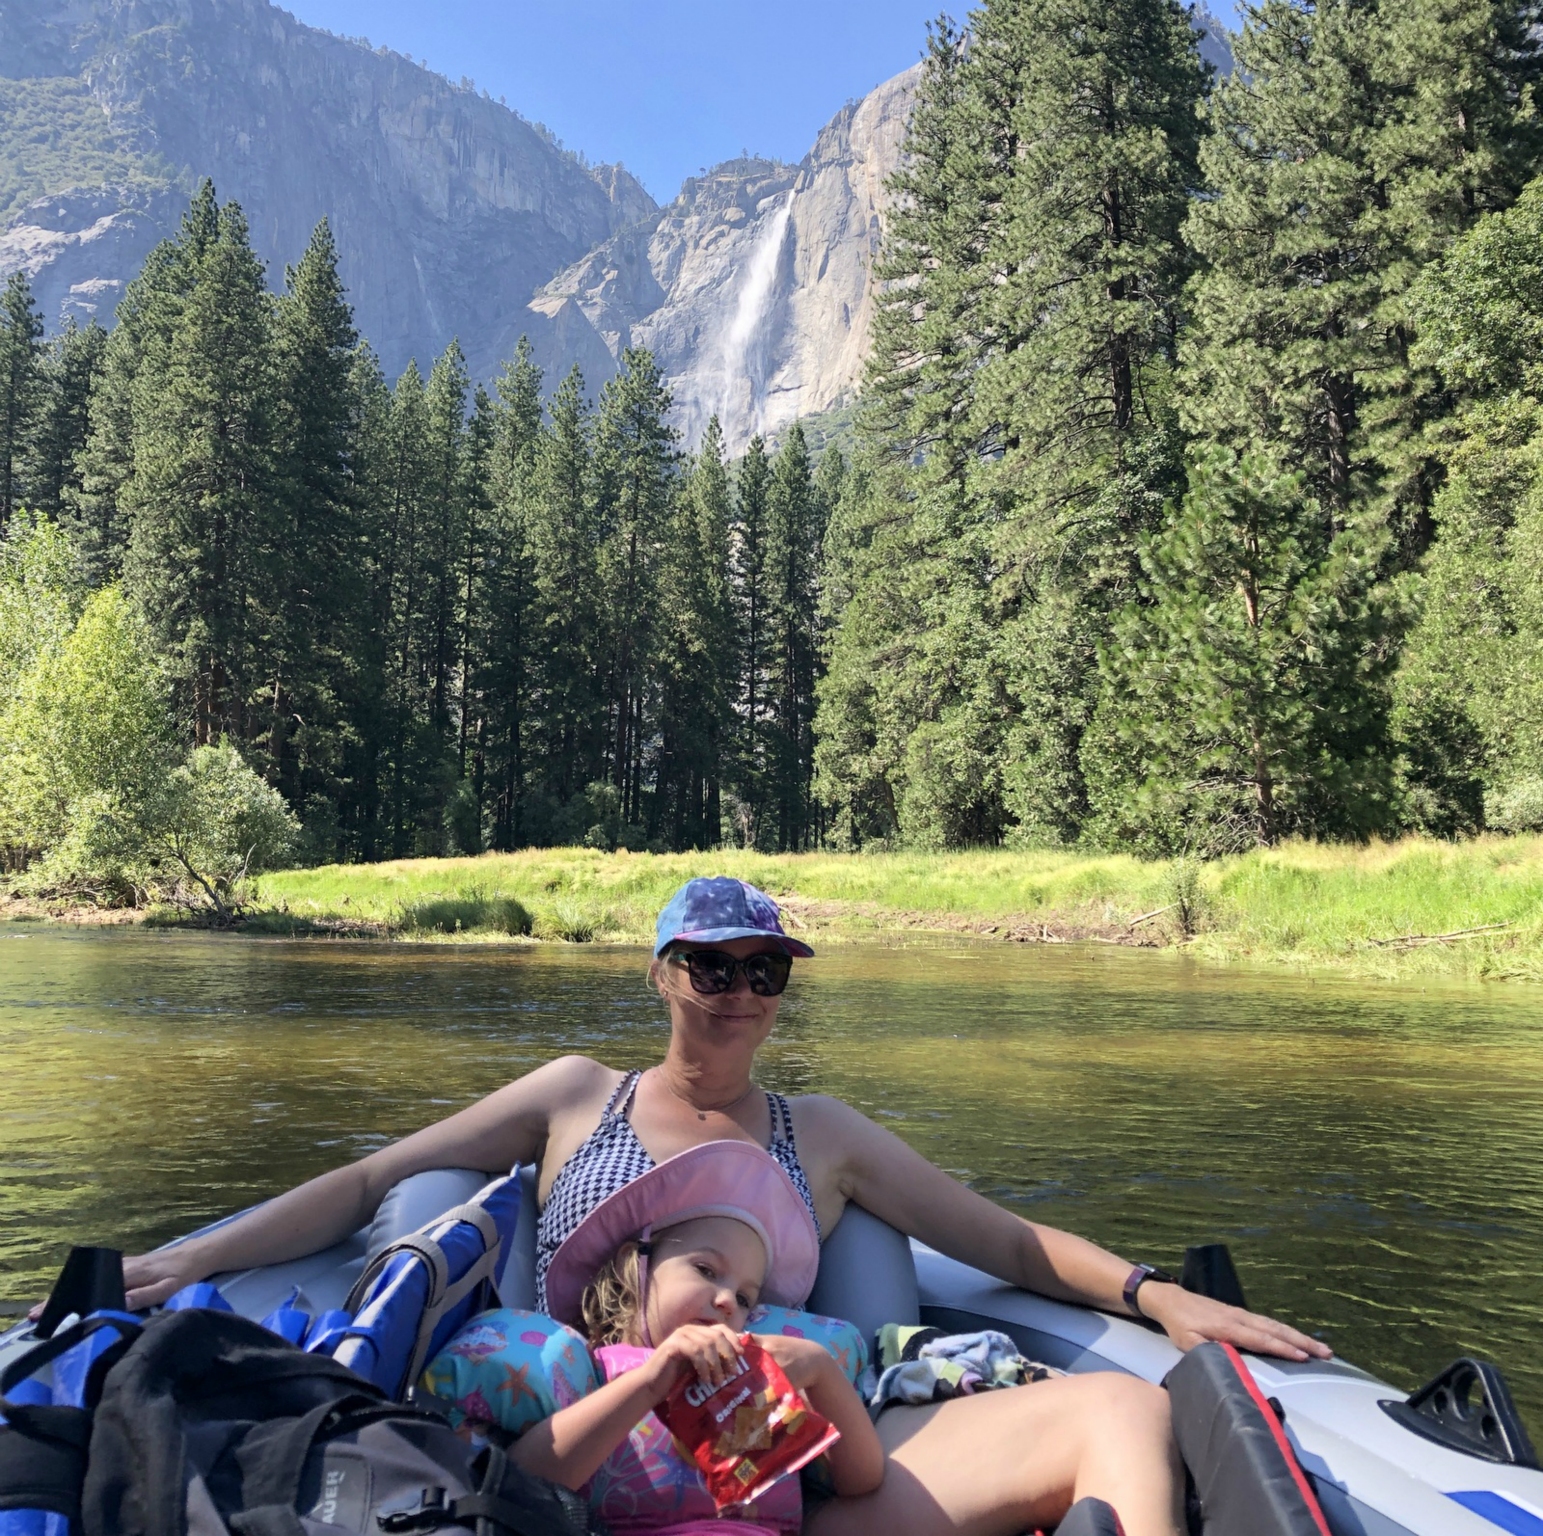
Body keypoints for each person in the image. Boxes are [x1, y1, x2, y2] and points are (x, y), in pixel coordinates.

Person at [119, 876, 1330, 1535]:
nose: (741, 992)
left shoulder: (826, 1133)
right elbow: (374, 1182)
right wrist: (193, 1258)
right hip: (598, 1444)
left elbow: (1001, 1238)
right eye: (713, 965)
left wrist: (1153, 1293)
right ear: (661, 973)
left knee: (1117, 1406)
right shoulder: (574, 1097)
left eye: (764, 972)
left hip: (796, 1454)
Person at [487, 1137, 884, 1536]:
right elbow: (522, 1481)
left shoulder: (765, 1383)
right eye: (706, 1271)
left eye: (746, 1298)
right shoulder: (590, 1373)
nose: (728, 1300)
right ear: (636, 1265)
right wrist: (649, 1382)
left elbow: (862, 1480)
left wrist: (820, 1368)